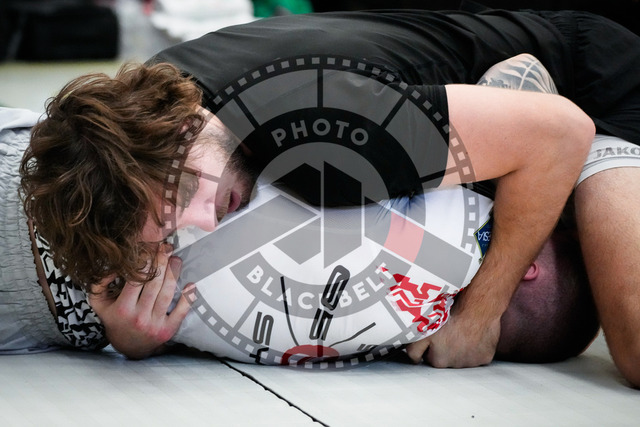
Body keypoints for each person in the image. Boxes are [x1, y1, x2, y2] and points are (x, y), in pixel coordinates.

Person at [25, 7, 640, 381]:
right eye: (169, 226)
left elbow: (561, 133)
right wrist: (130, 338)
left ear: (186, 124)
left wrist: (478, 315)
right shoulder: (152, 102)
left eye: (188, 190)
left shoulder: (321, 145)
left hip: (594, 88)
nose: (202, 223)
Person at [1, 104, 599, 362]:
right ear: (527, 269)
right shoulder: (454, 207)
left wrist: (128, 341)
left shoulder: (398, 324)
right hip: (34, 175)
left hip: (42, 316)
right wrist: (479, 313)